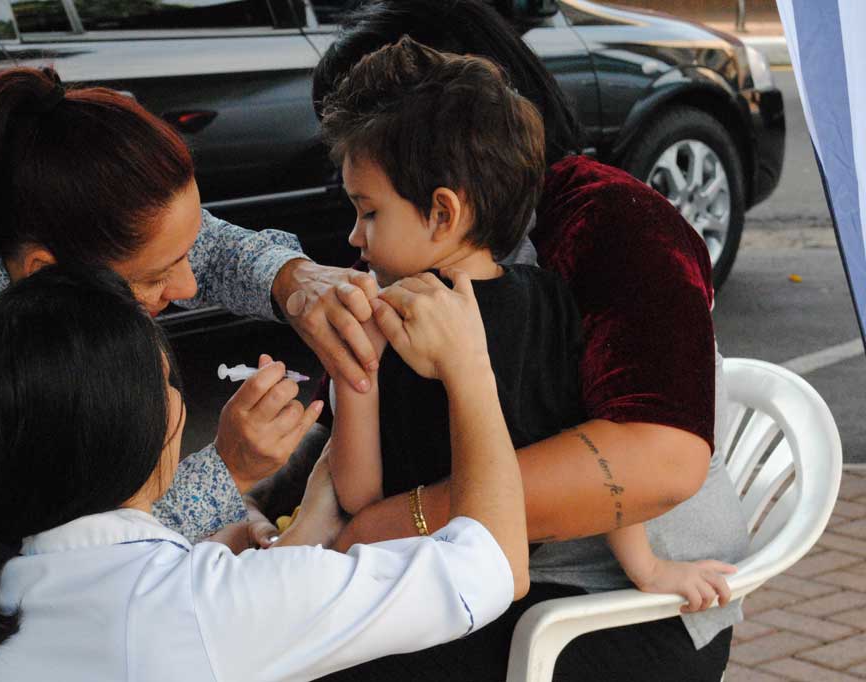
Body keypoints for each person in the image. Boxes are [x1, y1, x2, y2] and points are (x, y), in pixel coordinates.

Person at [245, 1, 751, 680]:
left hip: (604, 598)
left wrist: (391, 521)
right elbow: (370, 446)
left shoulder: (607, 223)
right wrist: (275, 502)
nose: (353, 234)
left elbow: (654, 461)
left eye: (368, 205)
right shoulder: (427, 276)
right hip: (487, 570)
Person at [0, 67, 381, 681]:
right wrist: (228, 473)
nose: (187, 288)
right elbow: (34, 575)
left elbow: (177, 234)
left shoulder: (14, 174)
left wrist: (290, 279)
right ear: (44, 271)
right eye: (154, 279)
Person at [0, 263, 528, 682]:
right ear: (142, 428)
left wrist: (308, 518)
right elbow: (493, 565)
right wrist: (469, 369)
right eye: (168, 383)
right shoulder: (196, 605)